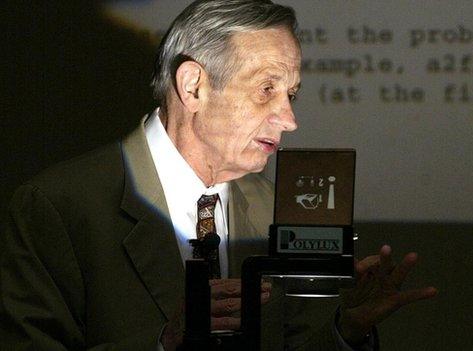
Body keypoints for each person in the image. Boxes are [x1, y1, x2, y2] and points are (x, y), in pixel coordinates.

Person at [0, 1, 437, 350]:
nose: (289, 119)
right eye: (267, 89)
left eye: (291, 95)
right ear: (193, 86)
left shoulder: (275, 208)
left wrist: (346, 331)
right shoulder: (57, 206)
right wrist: (164, 344)